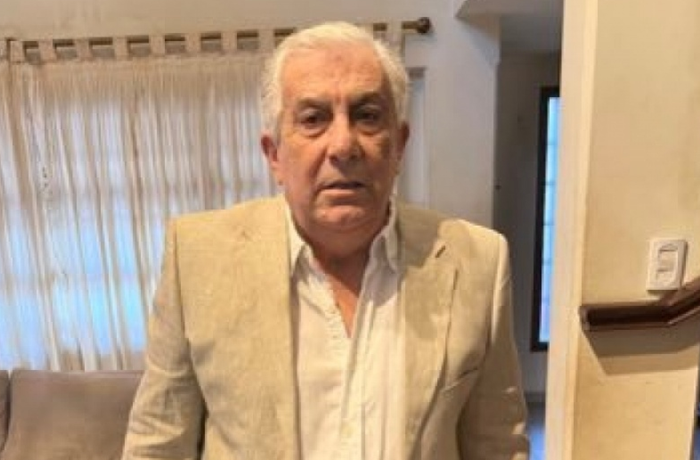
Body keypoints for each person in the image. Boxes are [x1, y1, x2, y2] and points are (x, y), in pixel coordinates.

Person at [122, 21, 529, 460]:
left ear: (399, 145)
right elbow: (158, 442)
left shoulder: (477, 262)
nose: (343, 145)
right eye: (313, 119)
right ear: (274, 154)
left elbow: (498, 446)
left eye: (367, 115)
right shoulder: (197, 257)